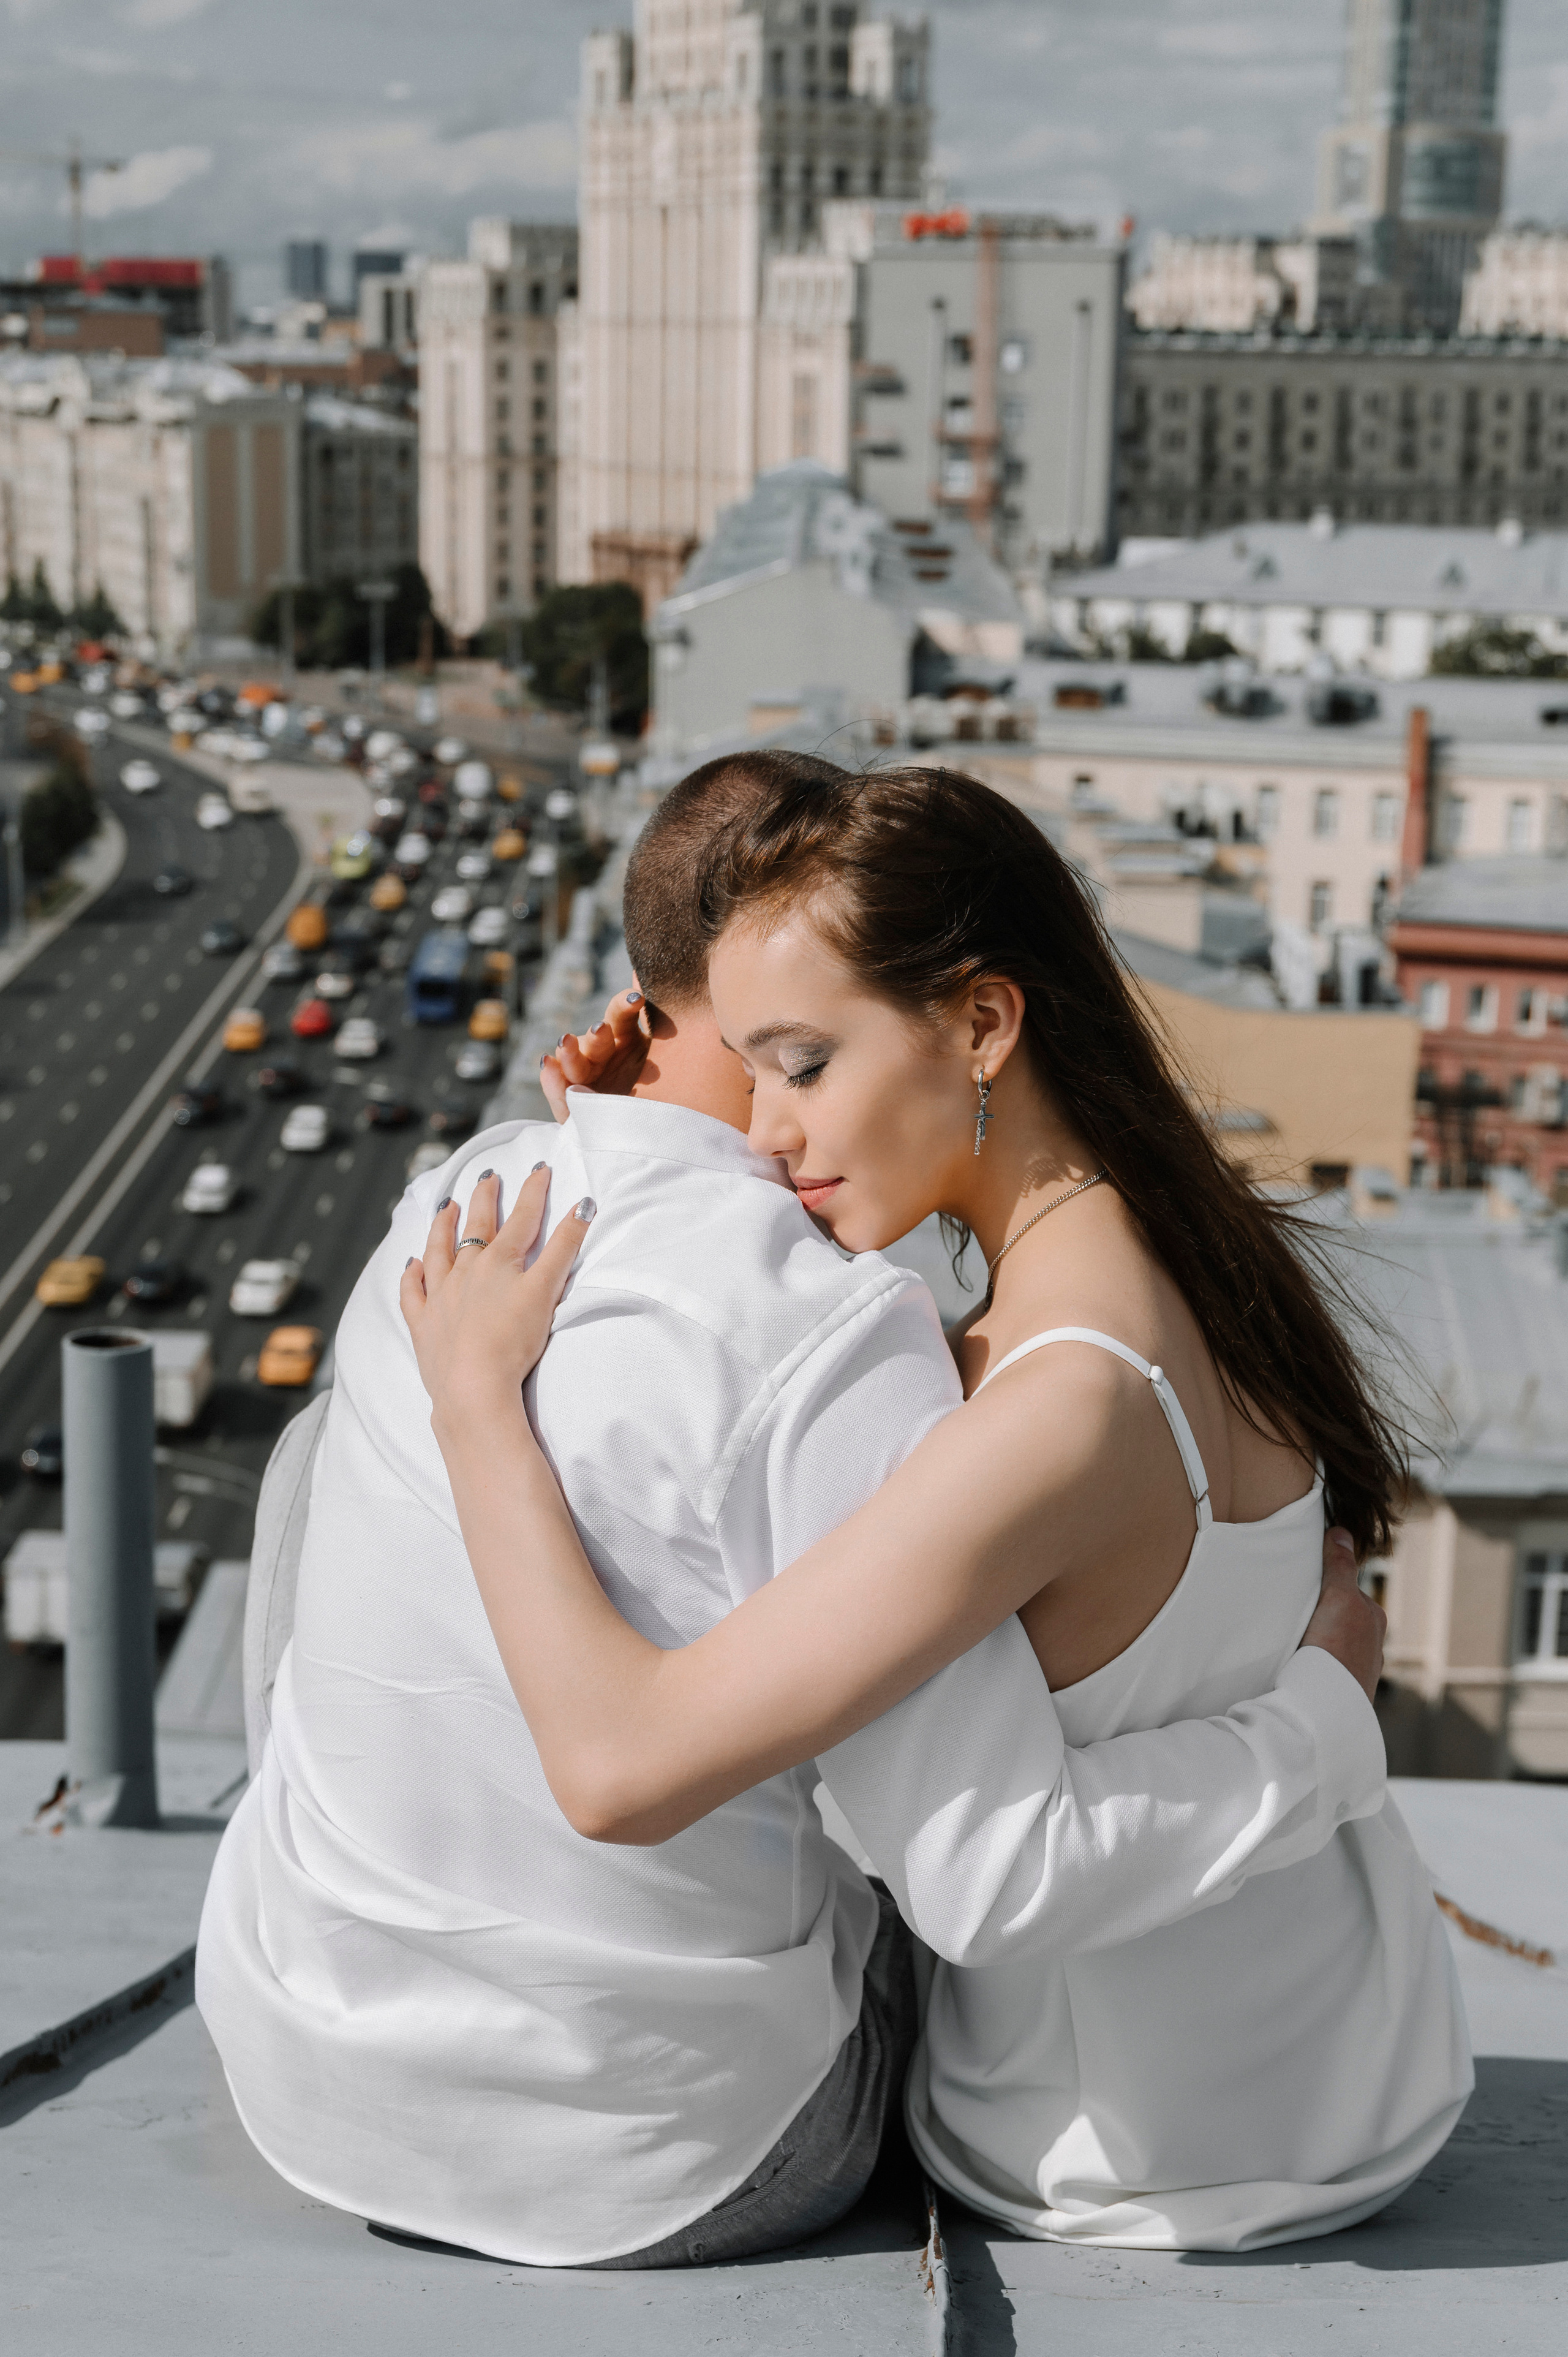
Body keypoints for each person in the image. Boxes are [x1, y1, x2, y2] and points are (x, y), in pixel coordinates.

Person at [199, 752, 1387, 2272]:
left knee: (330, 1453)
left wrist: (484, 1400)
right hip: (651, 2144)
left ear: (978, 1020)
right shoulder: (1075, 1292)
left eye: (804, 1063)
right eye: (756, 1065)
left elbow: (867, 1839)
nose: (764, 1131)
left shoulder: (478, 1197)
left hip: (312, 2053)